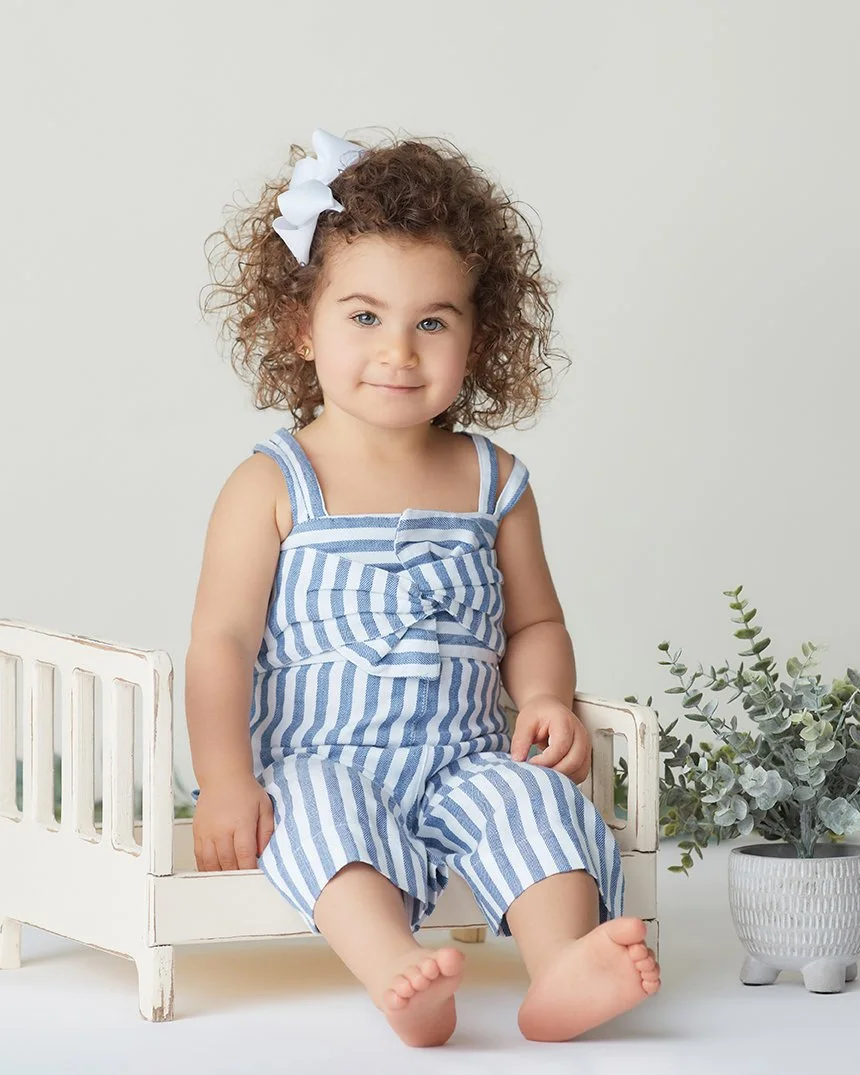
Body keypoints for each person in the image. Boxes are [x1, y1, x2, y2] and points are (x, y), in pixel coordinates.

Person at [186, 129, 660, 1047]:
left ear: (477, 337)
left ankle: (559, 961)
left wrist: (543, 696)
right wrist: (224, 780)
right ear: (300, 324)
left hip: (462, 757)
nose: (398, 351)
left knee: (537, 801)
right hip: (323, 758)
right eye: (363, 316)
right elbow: (223, 642)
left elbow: (535, 619)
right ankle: (394, 969)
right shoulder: (274, 484)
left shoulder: (493, 479)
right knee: (315, 820)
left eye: (432, 322)